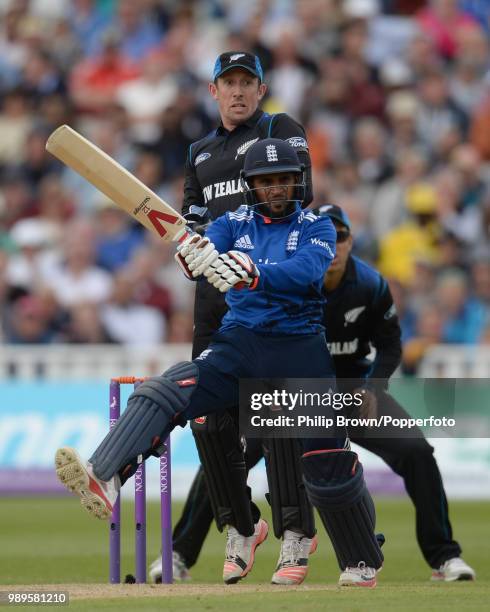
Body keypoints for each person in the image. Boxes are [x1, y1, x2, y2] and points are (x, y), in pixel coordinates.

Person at [55, 139, 384, 588]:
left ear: (297, 182)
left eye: (283, 179)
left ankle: (362, 559)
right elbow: (201, 255)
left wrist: (253, 271)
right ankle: (106, 475)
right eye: (266, 181)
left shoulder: (316, 228)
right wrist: (194, 259)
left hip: (299, 349)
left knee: (325, 461)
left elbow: (305, 273)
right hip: (240, 345)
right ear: (251, 185)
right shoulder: (231, 223)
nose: (276, 188)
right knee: (164, 388)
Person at [150, 203, 475, 585]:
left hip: (353, 393)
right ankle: (178, 554)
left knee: (418, 453)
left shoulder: (370, 285)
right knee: (226, 459)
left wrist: (373, 387)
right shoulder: (286, 276)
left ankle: (445, 557)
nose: (334, 247)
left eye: (342, 238)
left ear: (352, 241)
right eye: (328, 238)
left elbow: (390, 346)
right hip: (292, 395)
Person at [180, 50, 321, 585]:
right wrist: (188, 251)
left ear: (261, 90)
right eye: (227, 83)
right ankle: (241, 524)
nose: (237, 91)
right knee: (206, 416)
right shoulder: (198, 152)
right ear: (213, 91)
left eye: (247, 82)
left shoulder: (280, 130)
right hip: (216, 304)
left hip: (270, 297)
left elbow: (299, 196)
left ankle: (293, 535)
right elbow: (190, 222)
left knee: (279, 417)